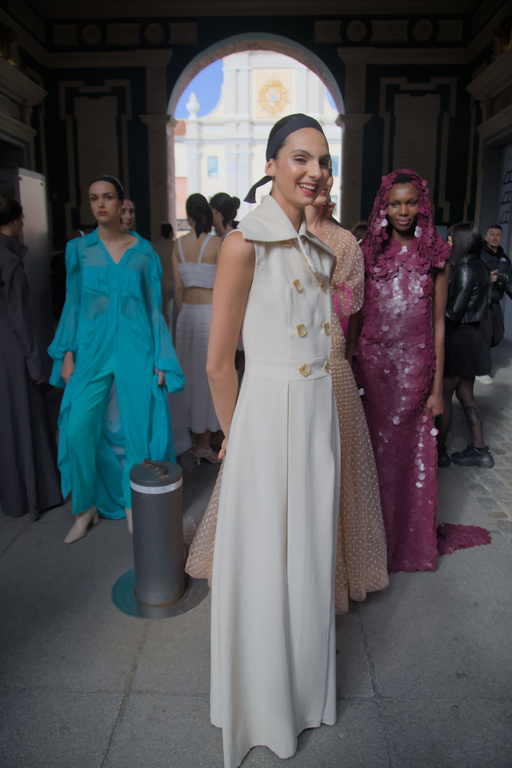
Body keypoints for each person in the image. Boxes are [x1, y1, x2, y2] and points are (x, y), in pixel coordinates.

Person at [196, 113, 339, 768]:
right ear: (272, 163)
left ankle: (302, 693)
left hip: (316, 417)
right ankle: (261, 707)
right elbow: (218, 365)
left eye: (323, 161)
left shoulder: (317, 247)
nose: (314, 171)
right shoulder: (242, 243)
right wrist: (238, 440)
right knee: (264, 562)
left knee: (307, 555)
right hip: (266, 420)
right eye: (300, 158)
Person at [48, 176, 183, 544]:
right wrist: (67, 352)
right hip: (91, 349)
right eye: (94, 198)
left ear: (121, 202)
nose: (100, 204)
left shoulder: (144, 253)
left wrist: (161, 357)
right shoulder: (79, 250)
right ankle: (84, 508)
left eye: (108, 197)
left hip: (136, 348)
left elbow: (154, 308)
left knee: (138, 430)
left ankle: (132, 504)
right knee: (78, 429)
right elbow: (73, 304)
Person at [353, 169, 451, 573]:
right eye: (395, 203)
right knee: (373, 457)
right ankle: (371, 547)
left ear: (421, 205)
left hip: (416, 373)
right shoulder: (367, 253)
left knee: (412, 460)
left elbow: (439, 323)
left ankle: (407, 544)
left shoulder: (436, 255)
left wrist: (437, 387)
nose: (403, 210)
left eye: (410, 202)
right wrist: (350, 363)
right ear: (384, 207)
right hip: (373, 371)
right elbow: (356, 316)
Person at [305, 173, 389, 610]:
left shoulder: (345, 243)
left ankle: (336, 572)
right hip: (287, 352)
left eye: (324, 180)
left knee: (336, 461)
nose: (317, 187)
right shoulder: (279, 234)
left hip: (329, 350)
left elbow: (348, 307)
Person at [0, 195, 62, 519]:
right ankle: (34, 495)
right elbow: (20, 319)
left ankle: (13, 496)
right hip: (12, 352)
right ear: (16, 221)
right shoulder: (10, 260)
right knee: (25, 420)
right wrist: (36, 363)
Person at [436, 223, 494, 468]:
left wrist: (433, 309)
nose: (447, 244)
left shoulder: (465, 269)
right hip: (473, 336)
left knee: (445, 394)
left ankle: (439, 452)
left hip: (460, 338)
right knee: (465, 394)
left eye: (450, 239)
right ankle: (480, 450)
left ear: (459, 241)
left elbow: (454, 312)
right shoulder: (480, 265)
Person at [172, 194, 222, 463]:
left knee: (188, 377)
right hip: (210, 314)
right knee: (208, 377)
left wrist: (183, 315)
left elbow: (178, 288)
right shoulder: (216, 243)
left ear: (189, 216)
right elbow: (224, 286)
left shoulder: (177, 245)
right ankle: (203, 444)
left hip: (187, 316)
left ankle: (190, 440)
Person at [477, 224, 512, 383]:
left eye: (498, 235)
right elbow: (472, 277)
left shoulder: (504, 259)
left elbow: (509, 282)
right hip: (482, 302)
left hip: (496, 301)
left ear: (502, 238)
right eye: (492, 234)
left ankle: (477, 352)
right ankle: (482, 371)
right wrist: (487, 279)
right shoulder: (479, 255)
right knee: (485, 336)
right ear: (486, 237)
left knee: (498, 335)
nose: (495, 237)